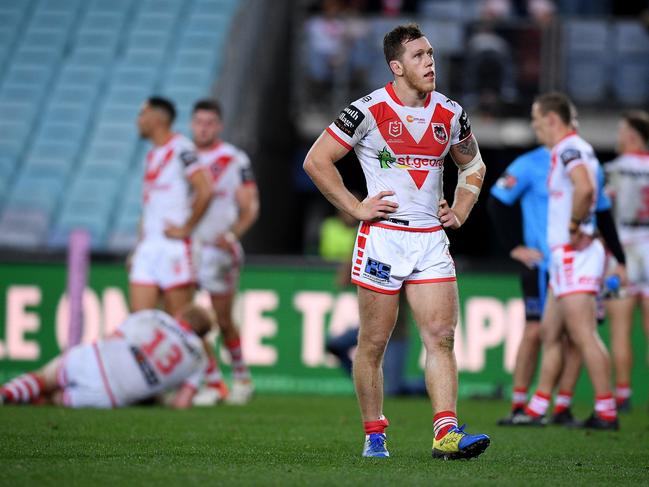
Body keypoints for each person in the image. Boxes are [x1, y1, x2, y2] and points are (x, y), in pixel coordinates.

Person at [303, 23, 490, 459]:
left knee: (441, 336)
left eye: (431, 54)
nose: (430, 62)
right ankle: (374, 434)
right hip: (383, 240)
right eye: (420, 56)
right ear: (397, 66)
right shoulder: (367, 110)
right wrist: (355, 207)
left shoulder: (449, 112)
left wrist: (460, 209)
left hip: (429, 239)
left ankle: (446, 432)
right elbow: (317, 161)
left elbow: (473, 165)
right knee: (372, 343)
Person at [488, 144, 627, 426]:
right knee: (540, 330)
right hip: (544, 263)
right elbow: (497, 200)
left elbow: (600, 208)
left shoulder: (581, 157)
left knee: (577, 335)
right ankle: (523, 405)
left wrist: (617, 257)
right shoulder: (531, 162)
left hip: (578, 261)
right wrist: (514, 246)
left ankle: (561, 406)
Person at [517, 92, 618, 430]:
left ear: (552, 120)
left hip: (574, 255)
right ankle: (538, 407)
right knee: (550, 331)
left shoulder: (568, 148)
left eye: (536, 120)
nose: (535, 127)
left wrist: (575, 225)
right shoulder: (573, 149)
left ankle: (606, 411)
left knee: (583, 333)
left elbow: (585, 188)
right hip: (563, 258)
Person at [0, 306, 211, 408]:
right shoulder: (199, 358)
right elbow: (181, 403)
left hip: (98, 359)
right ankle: (31, 399)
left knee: (45, 379)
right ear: (202, 335)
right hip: (110, 395)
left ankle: (8, 393)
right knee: (51, 401)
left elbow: (113, 336)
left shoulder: (156, 316)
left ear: (181, 315)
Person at [190, 99, 260, 405]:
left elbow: (250, 206)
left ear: (218, 126)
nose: (203, 128)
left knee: (221, 319)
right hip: (185, 248)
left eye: (209, 122)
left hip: (218, 251)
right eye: (198, 122)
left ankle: (241, 378)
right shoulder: (183, 156)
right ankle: (213, 380)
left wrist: (232, 235)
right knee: (185, 317)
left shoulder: (233, 159)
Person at [129, 97, 212, 316]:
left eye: (142, 114)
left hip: (174, 248)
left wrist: (186, 228)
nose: (138, 120)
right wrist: (139, 247)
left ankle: (206, 352)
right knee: (139, 323)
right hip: (149, 247)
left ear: (157, 118)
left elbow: (205, 189)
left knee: (182, 326)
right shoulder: (152, 155)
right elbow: (150, 208)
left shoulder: (181, 148)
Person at [605, 110, 649, 412]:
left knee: (619, 329)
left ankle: (622, 394)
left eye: (622, 132)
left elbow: (602, 211)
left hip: (621, 253)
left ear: (632, 135)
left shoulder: (614, 170)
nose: (619, 137)